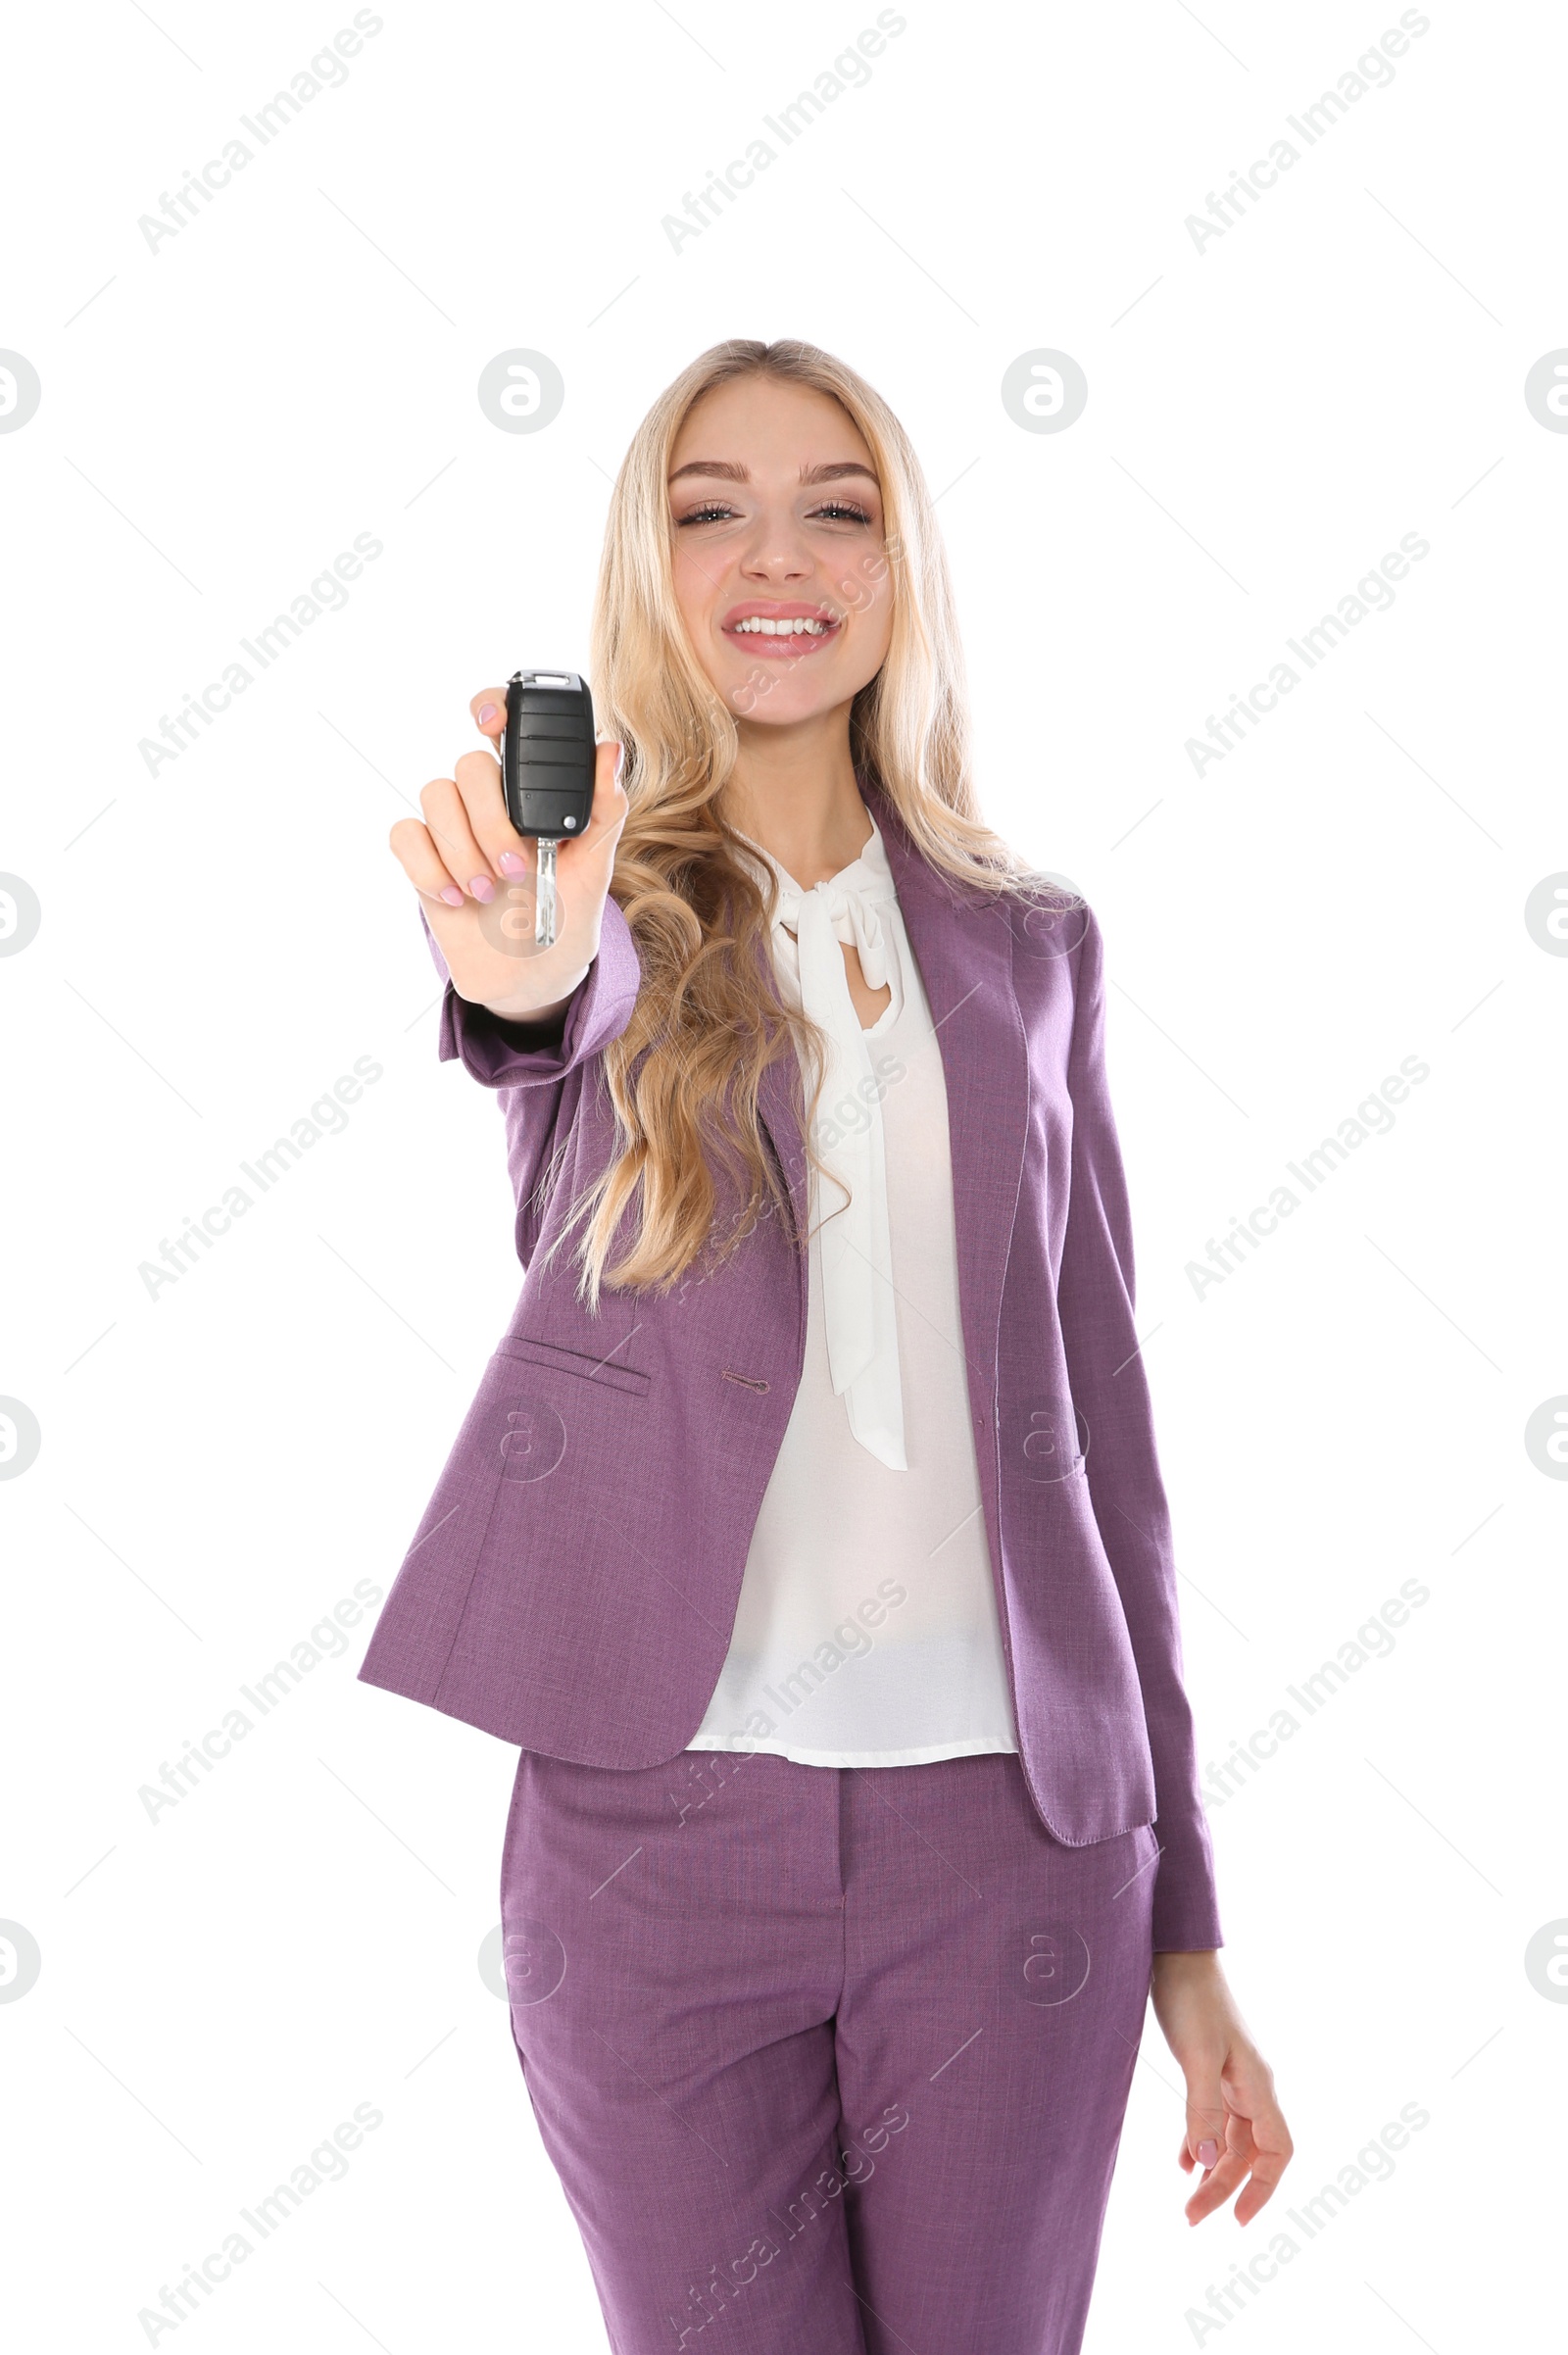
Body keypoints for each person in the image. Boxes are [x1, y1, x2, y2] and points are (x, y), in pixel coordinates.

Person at [359, 337, 1293, 2355]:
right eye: (709, 506)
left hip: (1014, 1844)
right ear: (648, 562)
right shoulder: (596, 913)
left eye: (834, 504)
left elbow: (1108, 1445)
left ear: (897, 562)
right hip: (652, 1851)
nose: (773, 554)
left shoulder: (1028, 945)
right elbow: (548, 1029)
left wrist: (1188, 1923)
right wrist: (521, 971)